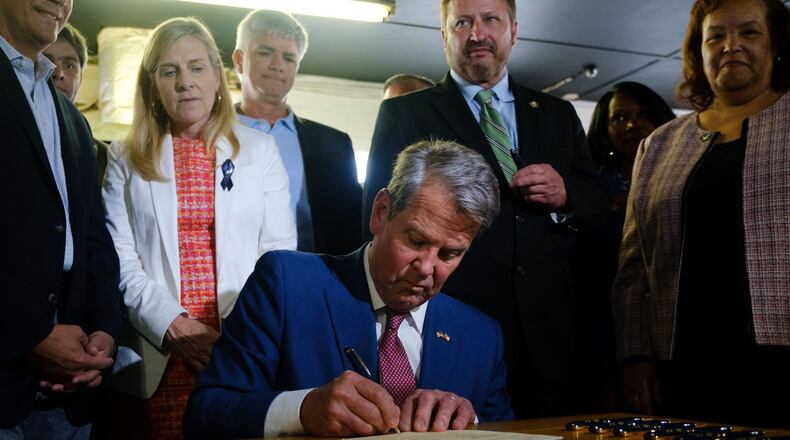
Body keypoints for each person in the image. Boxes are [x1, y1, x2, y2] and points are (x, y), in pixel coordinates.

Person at [362, 0, 607, 417]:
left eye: (491, 20)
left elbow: (600, 209)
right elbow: (376, 221)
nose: (477, 34)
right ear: (444, 36)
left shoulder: (557, 114)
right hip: (454, 331)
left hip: (553, 338)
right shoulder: (406, 113)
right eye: (462, 23)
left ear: (513, 30)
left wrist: (566, 194)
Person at [184, 140, 514, 439]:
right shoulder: (287, 285)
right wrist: (303, 410)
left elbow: (508, 432)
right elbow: (205, 417)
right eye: (416, 240)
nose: (427, 268)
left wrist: (470, 423)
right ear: (381, 213)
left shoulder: (482, 337)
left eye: (449, 254)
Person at [101, 17, 296, 439]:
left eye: (196, 67)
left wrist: (233, 336)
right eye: (169, 71)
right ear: (153, 84)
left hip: (240, 347)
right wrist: (175, 325)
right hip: (158, 350)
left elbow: (278, 258)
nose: (184, 82)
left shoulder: (260, 152)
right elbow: (119, 259)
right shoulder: (125, 157)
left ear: (217, 77)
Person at [612, 0, 790, 427]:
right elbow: (633, 266)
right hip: (683, 361)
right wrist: (635, 354)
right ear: (699, 51)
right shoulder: (659, 145)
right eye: (716, 36)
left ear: (777, 45)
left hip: (781, 362)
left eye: (749, 33)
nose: (731, 46)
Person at [0, 0, 122, 438]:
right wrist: (30, 334)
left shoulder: (72, 119)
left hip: (70, 392)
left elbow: (93, 241)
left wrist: (104, 332)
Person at [573, 82, 675, 410]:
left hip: (672, 325)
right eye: (620, 118)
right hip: (606, 328)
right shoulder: (593, 191)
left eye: (643, 114)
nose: (633, 124)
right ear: (604, 133)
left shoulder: (682, 179)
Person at [233, 9, 362, 255]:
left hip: (310, 278)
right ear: (239, 59)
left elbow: (349, 227)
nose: (277, 66)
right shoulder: (207, 135)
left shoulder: (334, 145)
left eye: (289, 58)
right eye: (265, 52)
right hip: (229, 283)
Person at [43, 23, 110, 183]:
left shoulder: (104, 159)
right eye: (46, 62)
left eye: (69, 65)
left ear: (80, 81)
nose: (58, 73)